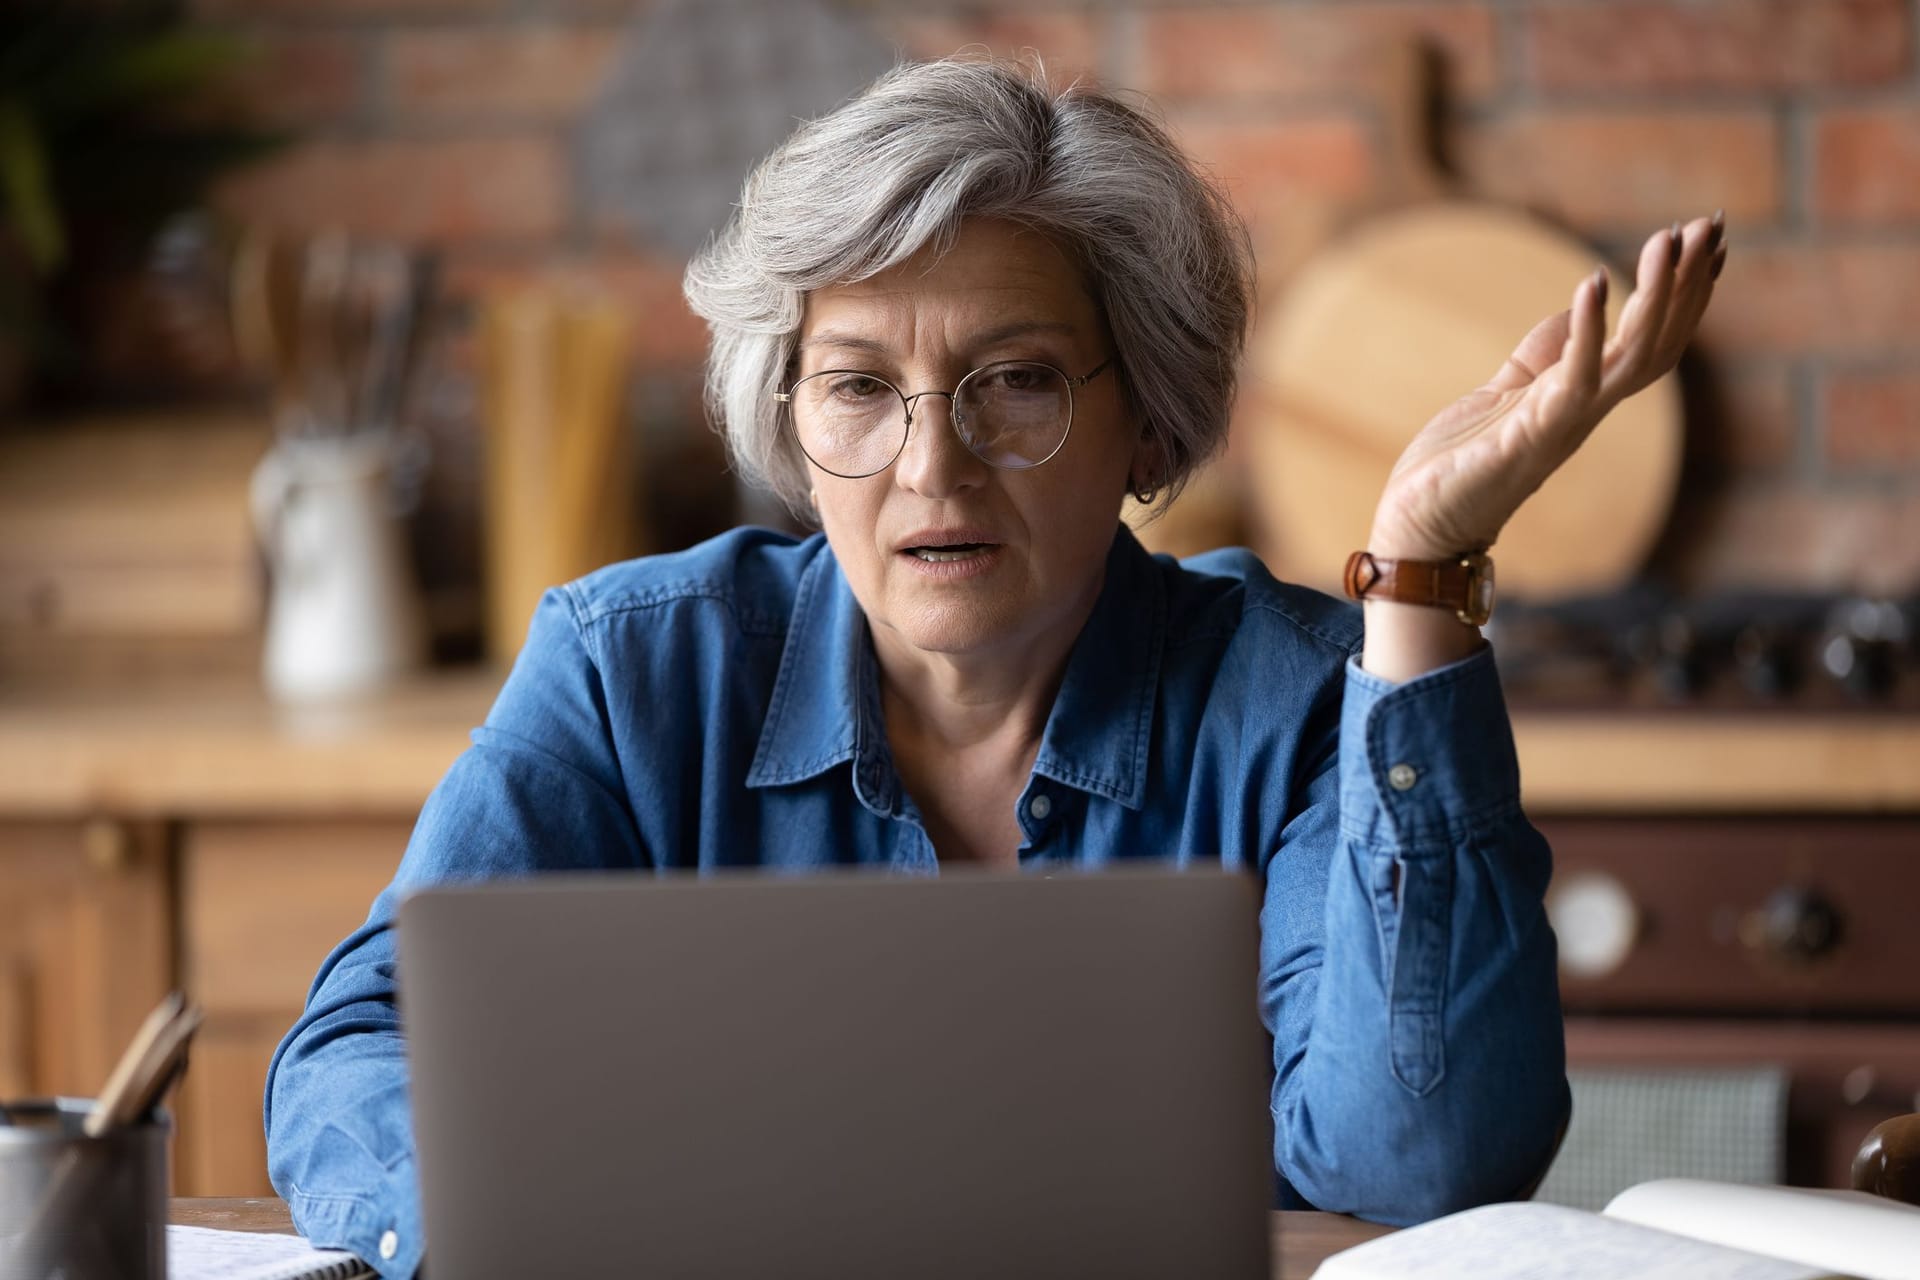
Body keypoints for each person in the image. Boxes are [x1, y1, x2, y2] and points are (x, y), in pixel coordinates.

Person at [264, 56, 1725, 1277]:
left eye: (1014, 382)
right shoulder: (629, 672)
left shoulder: (1298, 700)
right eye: (858, 389)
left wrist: (1416, 573)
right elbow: (351, 1059)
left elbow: (1424, 1169)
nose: (932, 464)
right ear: (792, 426)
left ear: (1146, 422)